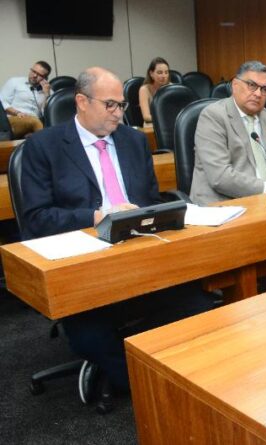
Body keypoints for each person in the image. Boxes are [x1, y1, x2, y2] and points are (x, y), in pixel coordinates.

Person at [21, 67, 214, 394]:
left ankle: (156, 367)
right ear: (81, 101)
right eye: (109, 105)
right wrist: (97, 216)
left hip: (140, 254)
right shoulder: (44, 146)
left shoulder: (134, 141)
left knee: (197, 306)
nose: (118, 113)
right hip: (84, 265)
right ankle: (145, 386)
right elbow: (37, 219)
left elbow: (150, 200)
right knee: (90, 337)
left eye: (121, 106)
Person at [191, 60, 266, 205]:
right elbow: (220, 177)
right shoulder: (213, 116)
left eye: (264, 89)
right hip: (224, 205)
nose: (258, 94)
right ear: (235, 85)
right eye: (252, 85)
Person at [0, 61, 52, 138]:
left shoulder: (48, 91)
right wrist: (17, 113)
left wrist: (46, 95)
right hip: (13, 120)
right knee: (33, 121)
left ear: (45, 78)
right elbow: (2, 102)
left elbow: (48, 115)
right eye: (33, 71)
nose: (34, 75)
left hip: (36, 123)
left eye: (39, 75)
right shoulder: (14, 82)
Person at [139, 57, 171, 127]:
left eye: (166, 72)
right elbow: (146, 117)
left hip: (170, 122)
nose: (164, 76)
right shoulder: (144, 90)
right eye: (160, 72)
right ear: (151, 74)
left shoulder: (172, 88)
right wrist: (165, 119)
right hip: (152, 124)